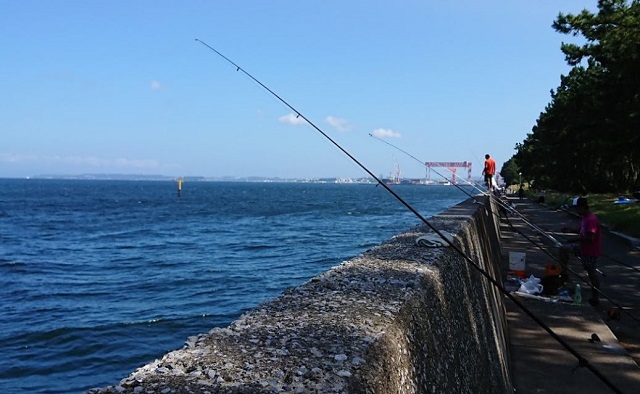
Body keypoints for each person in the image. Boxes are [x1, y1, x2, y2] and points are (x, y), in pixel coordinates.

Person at [559, 197, 602, 306]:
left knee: (591, 272)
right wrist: (569, 230)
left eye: (577, 208)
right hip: (582, 247)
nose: (576, 211)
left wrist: (574, 239)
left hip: (590, 251)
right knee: (563, 249)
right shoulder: (584, 218)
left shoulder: (591, 219)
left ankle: (595, 297)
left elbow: (590, 238)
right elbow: (581, 230)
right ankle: (564, 274)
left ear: (582, 207)